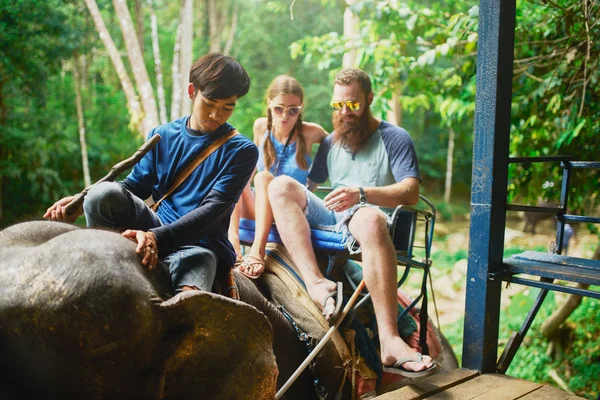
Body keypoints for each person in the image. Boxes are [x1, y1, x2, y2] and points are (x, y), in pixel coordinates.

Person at [267, 68, 436, 377]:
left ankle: (390, 340)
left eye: (353, 105)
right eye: (338, 105)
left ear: (369, 99)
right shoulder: (331, 142)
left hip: (368, 215)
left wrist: (361, 194)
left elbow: (411, 191)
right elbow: (312, 189)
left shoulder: (394, 137)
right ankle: (316, 283)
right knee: (279, 186)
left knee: (369, 218)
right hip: (331, 216)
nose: (344, 112)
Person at [44, 53, 258, 295]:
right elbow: (135, 186)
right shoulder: (163, 135)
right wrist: (81, 200)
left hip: (200, 245)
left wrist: (156, 237)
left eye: (227, 107)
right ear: (192, 91)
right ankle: (102, 260)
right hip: (154, 224)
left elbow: (213, 209)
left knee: (192, 305)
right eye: (209, 104)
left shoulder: (242, 151)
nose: (216, 115)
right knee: (102, 193)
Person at [228, 75, 328, 279]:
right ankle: (232, 241)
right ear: (269, 104)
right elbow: (251, 171)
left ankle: (257, 251)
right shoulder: (260, 127)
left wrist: (314, 182)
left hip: (291, 209)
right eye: (279, 109)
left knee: (264, 178)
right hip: (261, 205)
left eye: (293, 110)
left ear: (300, 108)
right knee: (237, 173)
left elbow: (336, 148)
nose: (285, 116)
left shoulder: (310, 132)